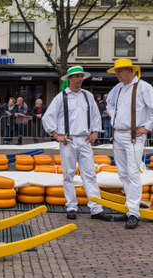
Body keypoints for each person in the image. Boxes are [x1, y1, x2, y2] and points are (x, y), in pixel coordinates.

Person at [42, 65, 112, 221]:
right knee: (68, 174)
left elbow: (95, 115)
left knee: (90, 174)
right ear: (70, 79)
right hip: (68, 140)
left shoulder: (87, 96)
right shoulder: (61, 97)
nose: (80, 79)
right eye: (77, 77)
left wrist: (95, 131)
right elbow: (47, 117)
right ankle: (71, 206)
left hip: (85, 139)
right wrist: (55, 134)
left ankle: (96, 208)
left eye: (81, 76)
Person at [106, 59, 153, 229]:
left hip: (133, 136)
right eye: (116, 72)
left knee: (132, 172)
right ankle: (130, 207)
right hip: (118, 135)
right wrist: (114, 118)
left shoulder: (144, 87)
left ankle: (133, 212)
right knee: (123, 172)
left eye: (119, 71)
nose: (116, 75)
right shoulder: (117, 89)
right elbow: (109, 103)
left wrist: (146, 127)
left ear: (129, 71)